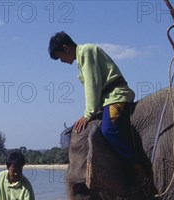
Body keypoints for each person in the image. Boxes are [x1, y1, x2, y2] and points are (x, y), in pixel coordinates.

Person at [48, 31, 146, 179]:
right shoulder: (80, 61)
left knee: (109, 130)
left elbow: (92, 84)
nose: (61, 61)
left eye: (60, 56)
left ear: (65, 47)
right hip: (106, 100)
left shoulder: (86, 51)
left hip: (116, 96)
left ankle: (136, 166)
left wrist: (88, 114)